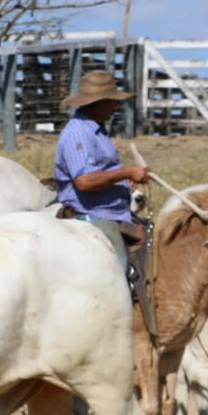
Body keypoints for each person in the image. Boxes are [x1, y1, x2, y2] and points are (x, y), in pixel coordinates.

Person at [54, 70, 151, 272]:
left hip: (112, 211)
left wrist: (121, 181)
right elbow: (85, 181)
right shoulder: (77, 133)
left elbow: (101, 170)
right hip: (93, 215)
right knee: (116, 269)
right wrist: (126, 173)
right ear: (99, 103)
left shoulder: (95, 130)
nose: (115, 107)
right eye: (111, 102)